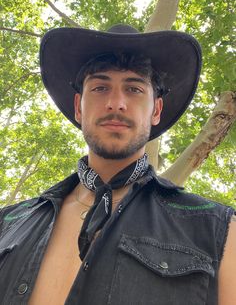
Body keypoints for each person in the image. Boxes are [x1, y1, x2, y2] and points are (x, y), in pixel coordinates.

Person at [0, 24, 235, 305]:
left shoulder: (218, 231)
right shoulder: (8, 223)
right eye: (100, 88)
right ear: (78, 107)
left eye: (134, 89)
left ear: (156, 110)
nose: (116, 103)